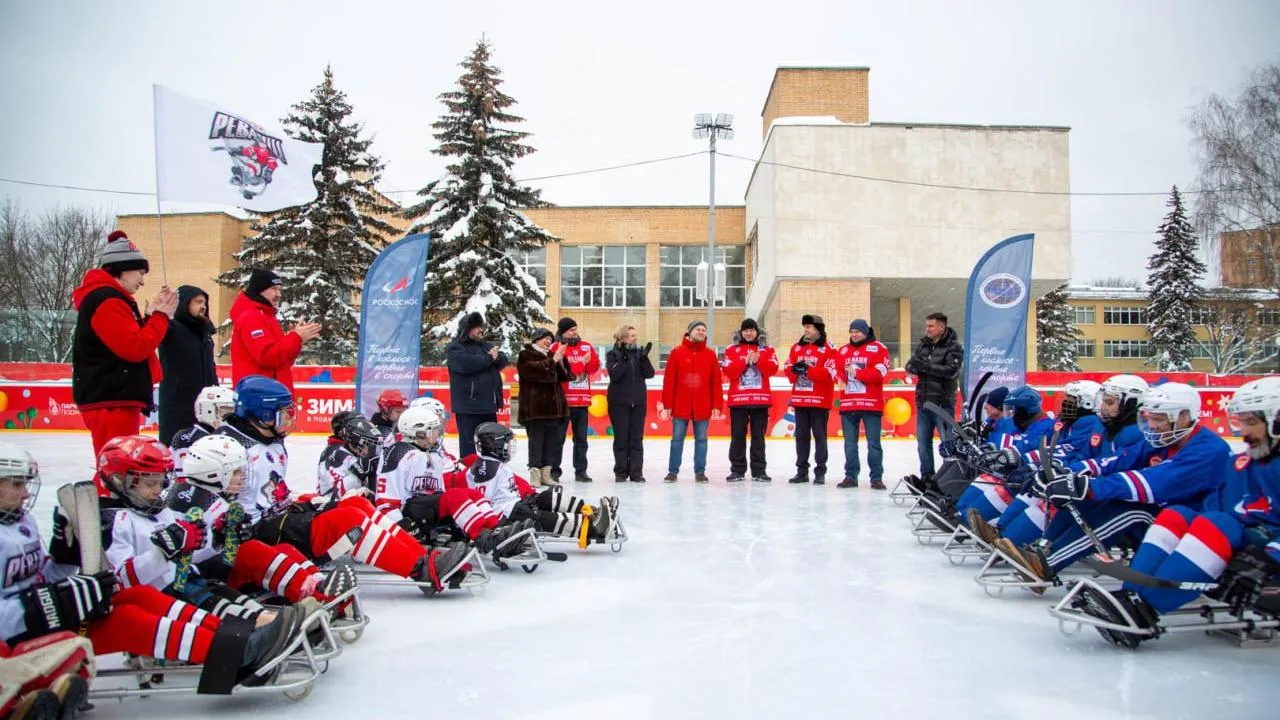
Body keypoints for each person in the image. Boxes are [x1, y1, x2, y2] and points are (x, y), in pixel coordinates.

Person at [0, 439, 308, 696]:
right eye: (16, 484)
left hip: (55, 616)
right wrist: (47, 602)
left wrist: (216, 539)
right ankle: (236, 654)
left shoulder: (21, 522)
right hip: (18, 638)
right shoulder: (113, 518)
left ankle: (237, 641)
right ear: (122, 480)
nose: (26, 493)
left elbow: (41, 579)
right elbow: (124, 576)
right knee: (126, 616)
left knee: (138, 601)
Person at [1073, 377, 1280, 648]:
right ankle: (1130, 596)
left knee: (1216, 523)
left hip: (1268, 549)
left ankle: (1146, 609)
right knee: (1177, 514)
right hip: (1244, 534)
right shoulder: (1242, 462)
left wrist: (1270, 559)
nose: (1244, 432)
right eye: (1242, 422)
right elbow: (1218, 503)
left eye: (1251, 422)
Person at [218, 377, 474, 595]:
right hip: (259, 533)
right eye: (283, 414)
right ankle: (421, 570)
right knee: (348, 520)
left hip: (278, 517)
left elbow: (272, 493)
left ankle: (423, 556)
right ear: (262, 415)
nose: (289, 420)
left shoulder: (267, 439)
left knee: (356, 503)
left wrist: (307, 502)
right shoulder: (230, 449)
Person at [998, 383, 1232, 591]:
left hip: (1190, 525)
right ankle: (1044, 549)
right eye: (1150, 418)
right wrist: (1070, 474)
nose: (1152, 425)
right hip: (1164, 517)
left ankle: (1047, 565)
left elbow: (1155, 482)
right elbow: (1117, 462)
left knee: (1130, 510)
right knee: (1091, 498)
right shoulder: (1161, 439)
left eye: (1159, 419)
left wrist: (1089, 486)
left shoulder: (1208, 449)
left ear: (1183, 417)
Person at [71, 230, 178, 467]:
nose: (142, 281)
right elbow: (136, 347)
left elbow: (131, 341)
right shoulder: (107, 301)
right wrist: (160, 317)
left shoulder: (113, 300)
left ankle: (112, 501)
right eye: (140, 273)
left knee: (121, 466)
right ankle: (107, 503)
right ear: (123, 268)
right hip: (110, 401)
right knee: (117, 467)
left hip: (115, 398)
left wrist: (152, 317)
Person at [465, 423, 618, 543]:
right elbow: (483, 501)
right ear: (494, 446)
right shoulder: (485, 469)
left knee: (545, 497)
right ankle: (595, 528)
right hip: (506, 515)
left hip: (514, 505)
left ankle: (593, 512)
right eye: (506, 444)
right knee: (543, 519)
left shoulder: (493, 464)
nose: (509, 448)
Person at [229, 268, 322, 393]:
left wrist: (296, 340)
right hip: (259, 397)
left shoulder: (267, 317)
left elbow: (282, 362)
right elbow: (267, 356)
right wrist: (295, 337)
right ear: (259, 290)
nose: (279, 295)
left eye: (279, 289)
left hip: (272, 394)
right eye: (274, 289)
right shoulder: (251, 317)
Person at [660, 321, 724, 484]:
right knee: (677, 439)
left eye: (704, 330)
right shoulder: (676, 352)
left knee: (702, 440)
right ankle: (672, 472)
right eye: (698, 329)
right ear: (690, 332)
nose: (701, 332)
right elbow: (669, 381)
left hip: (702, 404)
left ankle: (700, 472)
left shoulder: (710, 354)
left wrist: (717, 405)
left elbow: (716, 382)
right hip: (681, 404)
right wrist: (667, 405)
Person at [905, 312, 964, 482]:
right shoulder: (923, 345)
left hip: (942, 402)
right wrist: (917, 368)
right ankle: (927, 476)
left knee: (947, 443)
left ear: (941, 327)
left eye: (931, 326)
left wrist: (925, 367)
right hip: (923, 402)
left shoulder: (953, 347)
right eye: (927, 326)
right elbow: (910, 366)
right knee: (923, 444)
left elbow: (951, 371)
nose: (927, 329)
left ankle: (950, 478)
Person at [157, 285, 218, 445]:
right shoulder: (172, 328)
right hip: (178, 407)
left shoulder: (205, 333)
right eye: (198, 302)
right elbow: (154, 333)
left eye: (205, 302)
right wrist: (159, 311)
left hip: (205, 407)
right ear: (184, 304)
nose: (203, 306)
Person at [834, 319, 890, 489]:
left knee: (873, 443)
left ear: (866, 332)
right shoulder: (843, 350)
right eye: (852, 331)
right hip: (849, 404)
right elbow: (838, 371)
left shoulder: (879, 349)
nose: (854, 334)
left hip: (870, 405)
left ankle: (876, 478)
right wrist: (841, 378)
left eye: (857, 331)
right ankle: (850, 476)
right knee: (850, 444)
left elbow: (879, 374)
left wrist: (857, 373)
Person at [721, 318, 778, 483]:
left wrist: (758, 360)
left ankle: (759, 471)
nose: (748, 333)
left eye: (752, 330)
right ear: (741, 332)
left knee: (758, 437)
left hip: (760, 401)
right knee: (737, 436)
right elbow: (728, 371)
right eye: (745, 330)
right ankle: (737, 470)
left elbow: (772, 369)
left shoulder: (767, 349)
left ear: (757, 332)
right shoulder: (732, 349)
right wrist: (744, 362)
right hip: (738, 401)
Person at [446, 312, 509, 459]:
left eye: (481, 327)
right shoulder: (455, 348)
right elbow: (466, 364)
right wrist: (488, 358)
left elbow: (503, 359)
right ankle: (469, 475)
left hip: (488, 406)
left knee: (491, 446)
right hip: (469, 408)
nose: (481, 330)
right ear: (466, 329)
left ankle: (490, 474)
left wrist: (495, 356)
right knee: (469, 448)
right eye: (476, 327)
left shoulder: (484, 345)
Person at [784, 314, 837, 484]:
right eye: (805, 327)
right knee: (801, 436)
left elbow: (830, 373)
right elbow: (787, 367)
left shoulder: (829, 348)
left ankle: (820, 471)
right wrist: (794, 370)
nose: (805, 330)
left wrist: (808, 370)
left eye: (809, 327)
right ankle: (802, 471)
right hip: (800, 400)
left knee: (820, 436)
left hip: (819, 401)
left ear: (818, 329)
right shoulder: (796, 348)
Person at [516, 328, 571, 488]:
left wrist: (560, 361)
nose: (548, 342)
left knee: (551, 443)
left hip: (554, 409)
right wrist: (553, 360)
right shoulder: (525, 355)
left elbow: (564, 377)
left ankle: (546, 474)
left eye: (550, 339)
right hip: (535, 408)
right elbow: (534, 373)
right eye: (545, 338)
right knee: (536, 442)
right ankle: (535, 473)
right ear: (536, 339)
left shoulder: (550, 356)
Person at [550, 318, 601, 483]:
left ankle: (581, 471)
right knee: (557, 439)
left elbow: (594, 368)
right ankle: (554, 471)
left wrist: (589, 362)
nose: (575, 332)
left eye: (575, 329)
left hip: (582, 401)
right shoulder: (556, 347)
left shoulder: (586, 346)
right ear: (563, 332)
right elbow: (564, 373)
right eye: (571, 330)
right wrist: (581, 363)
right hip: (562, 402)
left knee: (581, 440)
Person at [605, 325, 655, 483]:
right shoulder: (613, 354)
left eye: (635, 335)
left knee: (636, 438)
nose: (635, 338)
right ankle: (620, 472)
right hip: (619, 403)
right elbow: (614, 375)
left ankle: (636, 472)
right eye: (632, 335)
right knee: (621, 438)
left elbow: (650, 374)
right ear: (623, 338)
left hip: (638, 402)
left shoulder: (639, 354)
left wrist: (645, 359)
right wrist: (624, 359)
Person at [170, 385, 237, 475]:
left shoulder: (190, 435)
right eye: (226, 410)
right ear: (208, 410)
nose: (231, 416)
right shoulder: (199, 439)